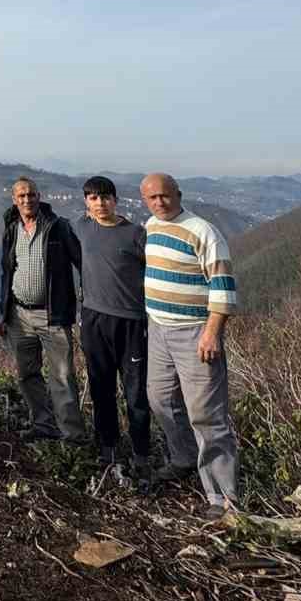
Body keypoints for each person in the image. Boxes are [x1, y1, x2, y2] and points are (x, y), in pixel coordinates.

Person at [139, 173, 240, 520]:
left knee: (206, 415)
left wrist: (212, 332)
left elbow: (223, 287)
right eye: (151, 197)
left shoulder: (203, 232)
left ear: (178, 194)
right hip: (159, 330)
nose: (159, 202)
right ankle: (182, 459)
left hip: (195, 332)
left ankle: (222, 498)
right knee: (160, 398)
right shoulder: (150, 227)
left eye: (164, 196)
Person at [0, 177, 85, 442]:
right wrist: (4, 313)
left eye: (31, 195)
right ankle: (43, 424)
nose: (27, 200)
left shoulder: (58, 227)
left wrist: (85, 302)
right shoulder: (12, 228)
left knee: (62, 376)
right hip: (19, 316)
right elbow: (6, 271)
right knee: (27, 375)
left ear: (39, 196)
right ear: (14, 199)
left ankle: (73, 435)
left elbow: (81, 263)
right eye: (22, 196)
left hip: (52, 315)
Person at [75, 176, 151, 474]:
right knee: (100, 387)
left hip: (132, 322)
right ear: (86, 202)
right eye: (93, 198)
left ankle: (141, 453)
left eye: (105, 197)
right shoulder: (81, 228)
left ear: (115, 200)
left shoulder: (135, 234)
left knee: (135, 392)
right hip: (94, 319)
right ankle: (107, 447)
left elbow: (155, 272)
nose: (100, 203)